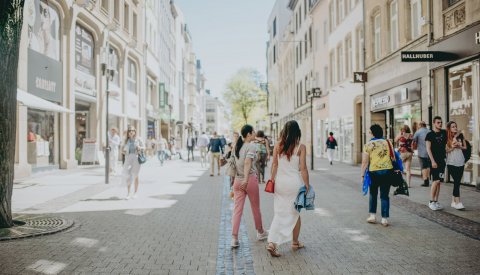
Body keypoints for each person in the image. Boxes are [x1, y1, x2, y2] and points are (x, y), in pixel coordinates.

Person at [267, 120, 310, 257]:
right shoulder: (301, 147)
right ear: (297, 132)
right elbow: (303, 168)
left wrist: (271, 180)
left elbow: (274, 165)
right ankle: (288, 242)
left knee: (280, 212)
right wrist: (307, 184)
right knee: (295, 212)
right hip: (294, 184)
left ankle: (277, 243)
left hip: (280, 183)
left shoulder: (278, 146)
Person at [231, 124, 268, 248]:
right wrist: (246, 179)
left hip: (237, 180)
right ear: (248, 134)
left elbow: (232, 162)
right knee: (255, 207)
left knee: (237, 209)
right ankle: (260, 232)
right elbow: (247, 162)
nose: (255, 134)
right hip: (249, 180)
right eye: (253, 132)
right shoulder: (251, 146)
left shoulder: (236, 145)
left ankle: (234, 238)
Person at [360, 124, 393, 227]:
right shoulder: (388, 142)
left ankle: (373, 216)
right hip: (387, 171)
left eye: (370, 132)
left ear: (373, 133)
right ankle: (384, 219)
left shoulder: (368, 145)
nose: (369, 134)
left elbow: (365, 162)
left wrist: (362, 175)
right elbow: (394, 158)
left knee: (373, 194)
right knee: (384, 195)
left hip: (373, 172)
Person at [426, 116, 447, 211]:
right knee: (435, 181)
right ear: (434, 123)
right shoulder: (430, 135)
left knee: (439, 182)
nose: (440, 124)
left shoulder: (444, 133)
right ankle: (431, 201)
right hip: (434, 161)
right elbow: (428, 149)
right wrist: (433, 161)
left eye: (441, 122)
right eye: (438, 122)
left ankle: (436, 201)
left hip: (442, 160)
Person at [446, 121, 466, 210]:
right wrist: (453, 147)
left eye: (455, 126)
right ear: (449, 128)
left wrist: (459, 146)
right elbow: (446, 150)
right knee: (457, 181)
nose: (455, 128)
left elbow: (465, 147)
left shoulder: (461, 136)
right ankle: (458, 202)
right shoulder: (447, 137)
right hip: (451, 162)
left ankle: (453, 202)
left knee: (457, 182)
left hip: (461, 161)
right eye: (453, 126)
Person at [121, 126, 145, 200]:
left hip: (136, 157)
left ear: (135, 131)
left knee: (135, 175)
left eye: (132, 130)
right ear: (128, 132)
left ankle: (135, 193)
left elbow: (144, 147)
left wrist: (140, 148)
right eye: (130, 130)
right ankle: (128, 193)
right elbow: (122, 150)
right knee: (127, 175)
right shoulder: (126, 140)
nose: (131, 132)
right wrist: (123, 151)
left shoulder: (138, 139)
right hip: (128, 158)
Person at [413, 121, 431, 187]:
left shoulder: (418, 132)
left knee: (423, 167)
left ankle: (425, 181)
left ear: (420, 125)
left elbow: (413, 140)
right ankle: (428, 178)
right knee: (428, 166)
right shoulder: (429, 131)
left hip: (422, 152)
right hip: (430, 152)